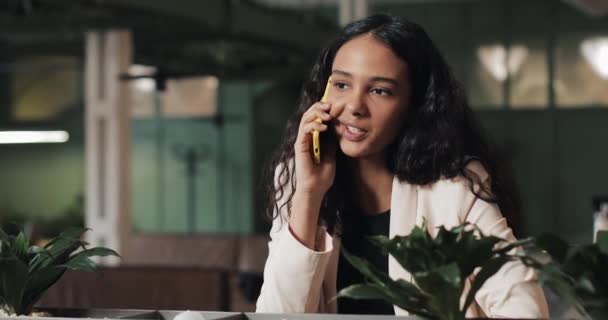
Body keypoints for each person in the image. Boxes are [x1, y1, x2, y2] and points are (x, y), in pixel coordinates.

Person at [255, 13, 549, 318]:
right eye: (342, 84)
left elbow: (525, 309)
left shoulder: (454, 188)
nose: (354, 107)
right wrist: (309, 193)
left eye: (379, 90)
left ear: (414, 106)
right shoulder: (297, 178)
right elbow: (276, 314)